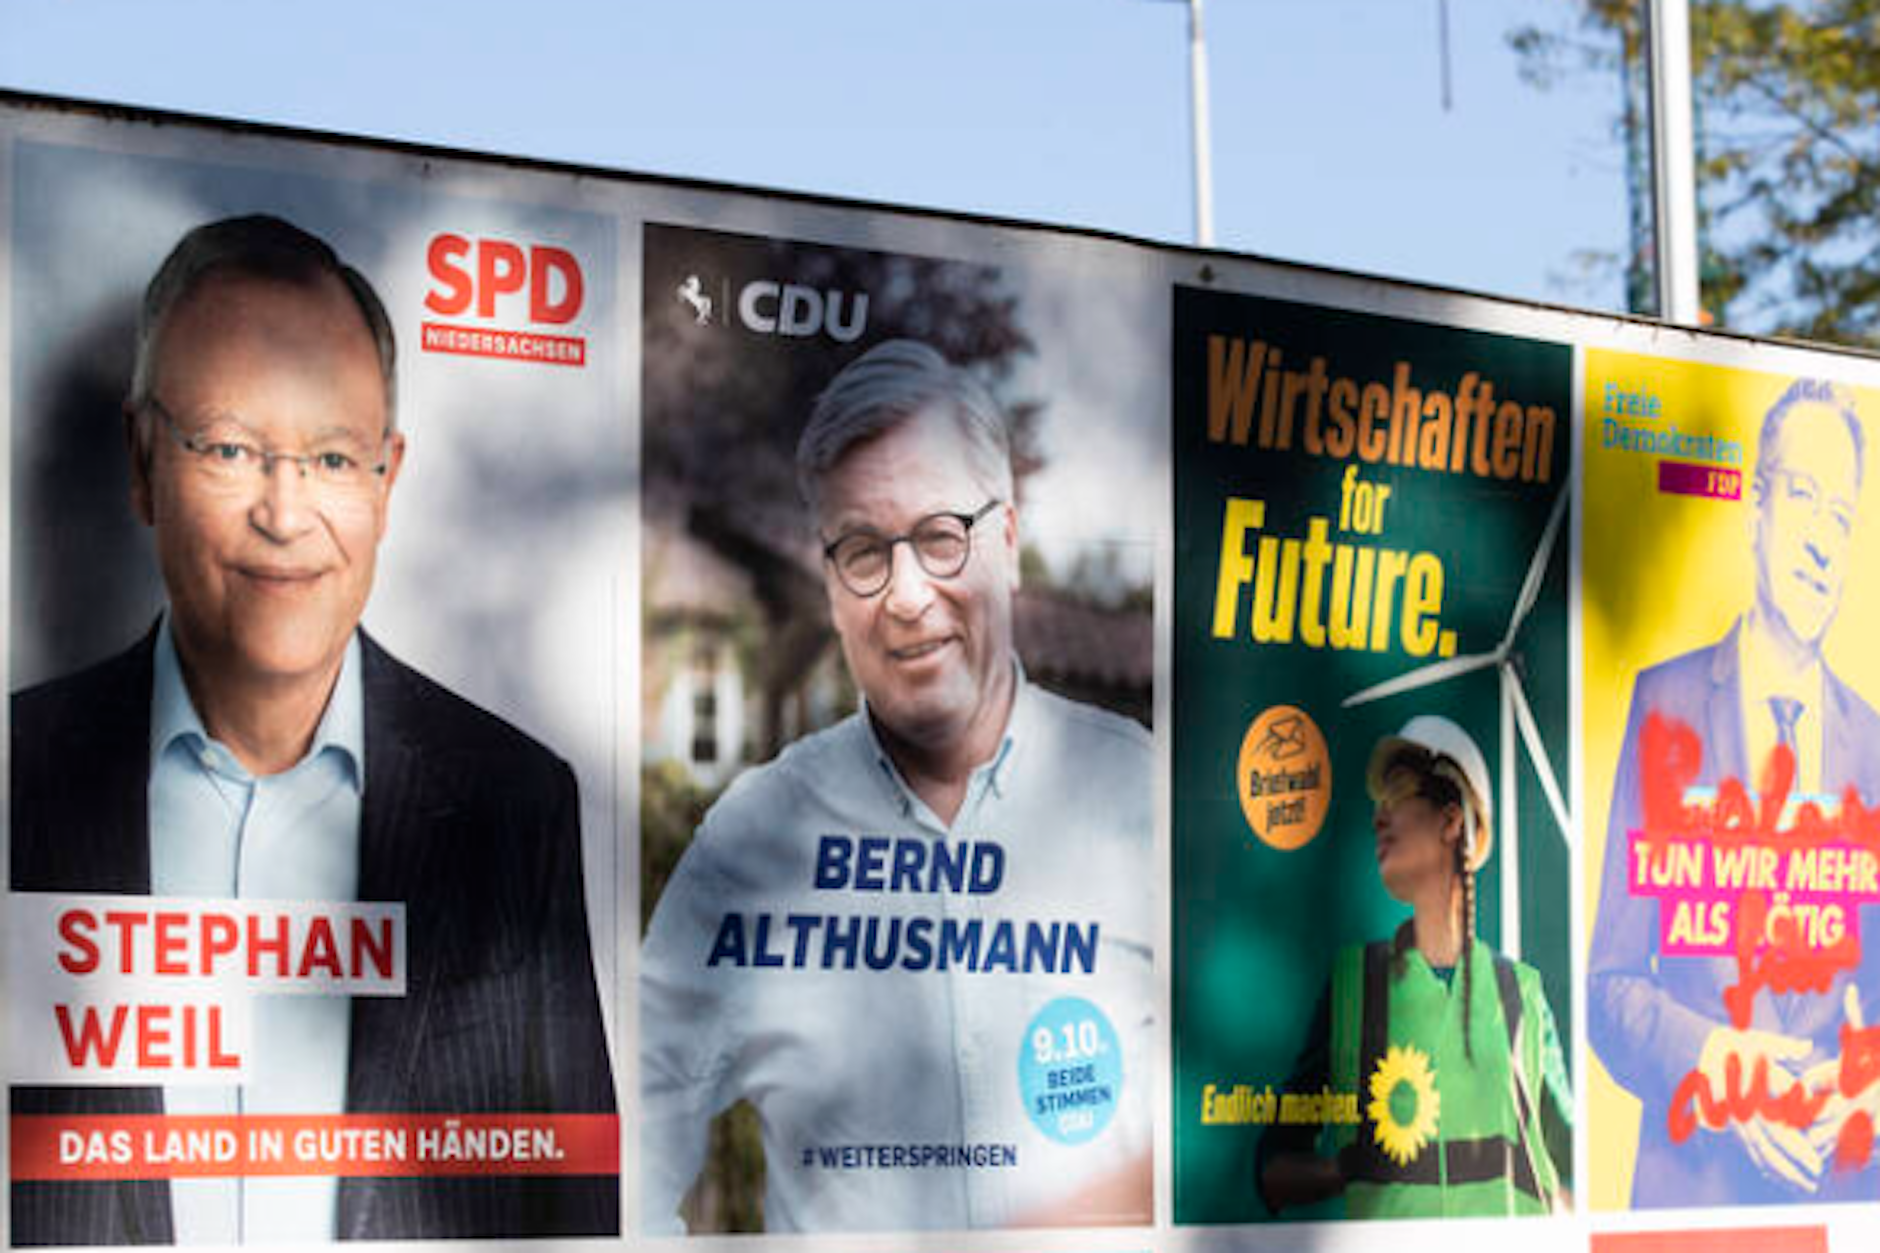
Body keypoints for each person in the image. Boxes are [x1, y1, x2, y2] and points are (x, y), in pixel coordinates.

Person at [9, 215, 617, 1244]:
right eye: (232, 447)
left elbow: (570, 1203)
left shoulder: (513, 801)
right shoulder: (19, 776)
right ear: (142, 460)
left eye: (334, 457)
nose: (285, 514)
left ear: (388, 477)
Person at [639, 339, 1154, 1233]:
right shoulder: (752, 841)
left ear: (1008, 540)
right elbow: (624, 1155)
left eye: (941, 537)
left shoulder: (1142, 798)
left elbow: (1246, 1124)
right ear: (831, 585)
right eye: (865, 552)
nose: (907, 595)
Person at [1588, 378, 1880, 1206]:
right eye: (1803, 497)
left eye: (1843, 517)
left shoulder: (1876, 743)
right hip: (1696, 1199)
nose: (1823, 540)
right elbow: (1608, 990)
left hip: (1848, 1201)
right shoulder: (1666, 702)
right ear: (1755, 512)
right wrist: (1721, 1065)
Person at [1260, 716, 1572, 1220]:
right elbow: (1274, 1170)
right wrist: (1347, 1169)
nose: (1379, 817)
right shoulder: (1352, 986)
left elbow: (1571, 1167)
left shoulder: (1524, 993)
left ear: (1452, 820)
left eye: (1398, 791)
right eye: (1377, 803)